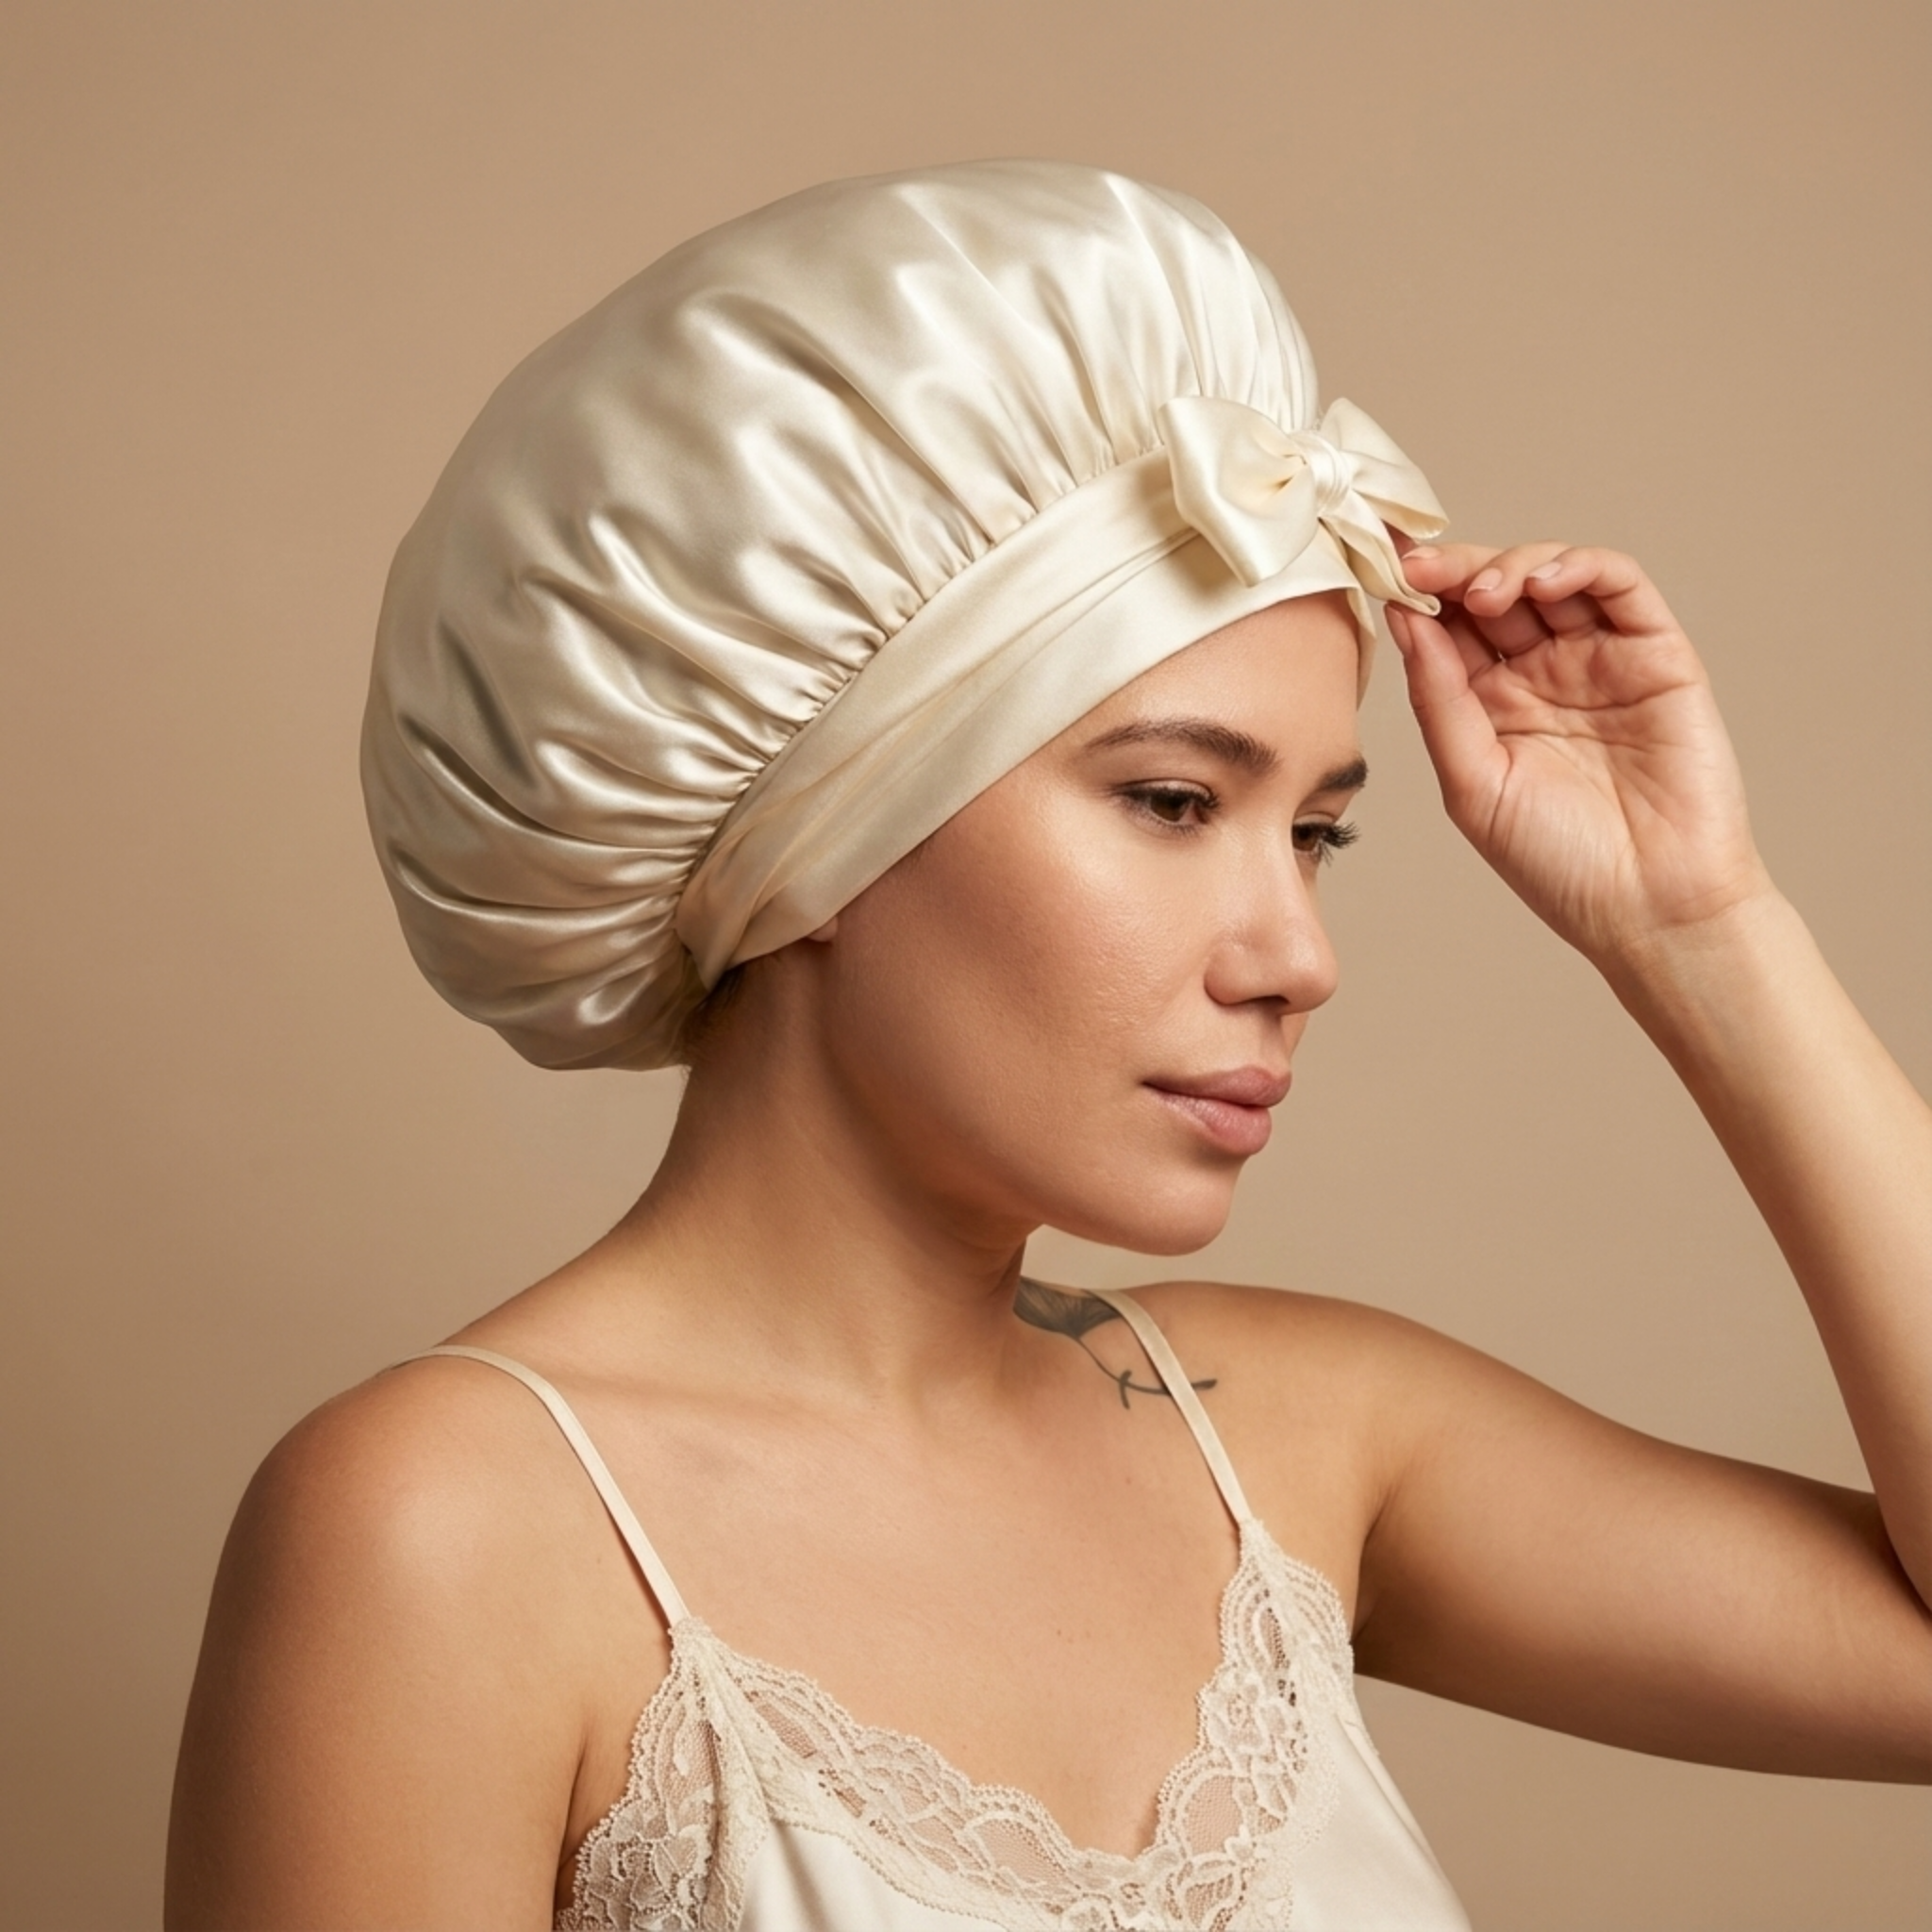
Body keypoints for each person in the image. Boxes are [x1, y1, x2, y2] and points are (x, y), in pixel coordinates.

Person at [164, 162, 1932, 1932]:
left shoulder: (1303, 1441)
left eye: (1317, 832)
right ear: (818, 848)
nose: (1298, 959)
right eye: (1172, 802)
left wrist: (1699, 926)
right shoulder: (450, 1527)